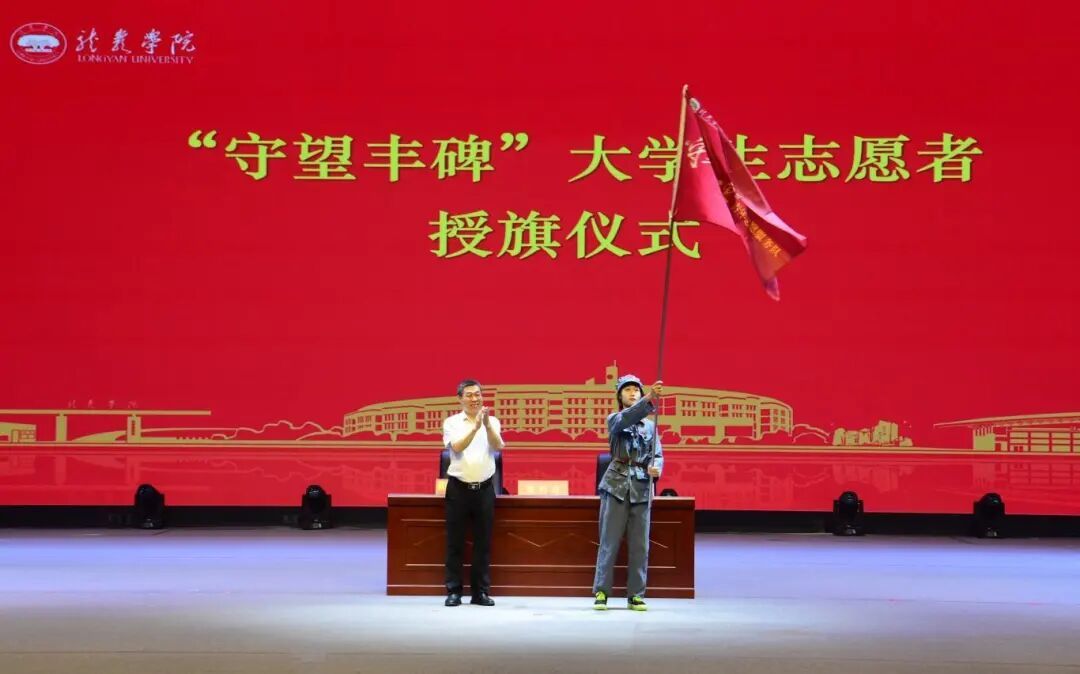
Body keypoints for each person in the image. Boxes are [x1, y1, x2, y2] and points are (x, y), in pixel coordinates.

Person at [592, 374, 664, 611]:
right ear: (619, 395)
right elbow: (626, 419)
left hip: (642, 486)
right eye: (627, 389)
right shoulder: (615, 419)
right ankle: (602, 591)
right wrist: (649, 399)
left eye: (636, 389)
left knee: (640, 545)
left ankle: (636, 594)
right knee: (609, 542)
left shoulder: (651, 426)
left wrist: (656, 467)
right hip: (616, 485)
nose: (633, 393)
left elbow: (657, 454)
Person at [442, 379, 504, 607]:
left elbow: (498, 446)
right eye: (469, 395)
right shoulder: (452, 422)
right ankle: (454, 591)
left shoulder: (492, 421)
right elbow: (457, 447)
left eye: (478, 394)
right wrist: (475, 427)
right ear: (460, 399)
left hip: (485, 489)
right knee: (455, 542)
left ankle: (480, 592)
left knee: (483, 543)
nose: (474, 399)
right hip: (458, 489)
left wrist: (486, 426)